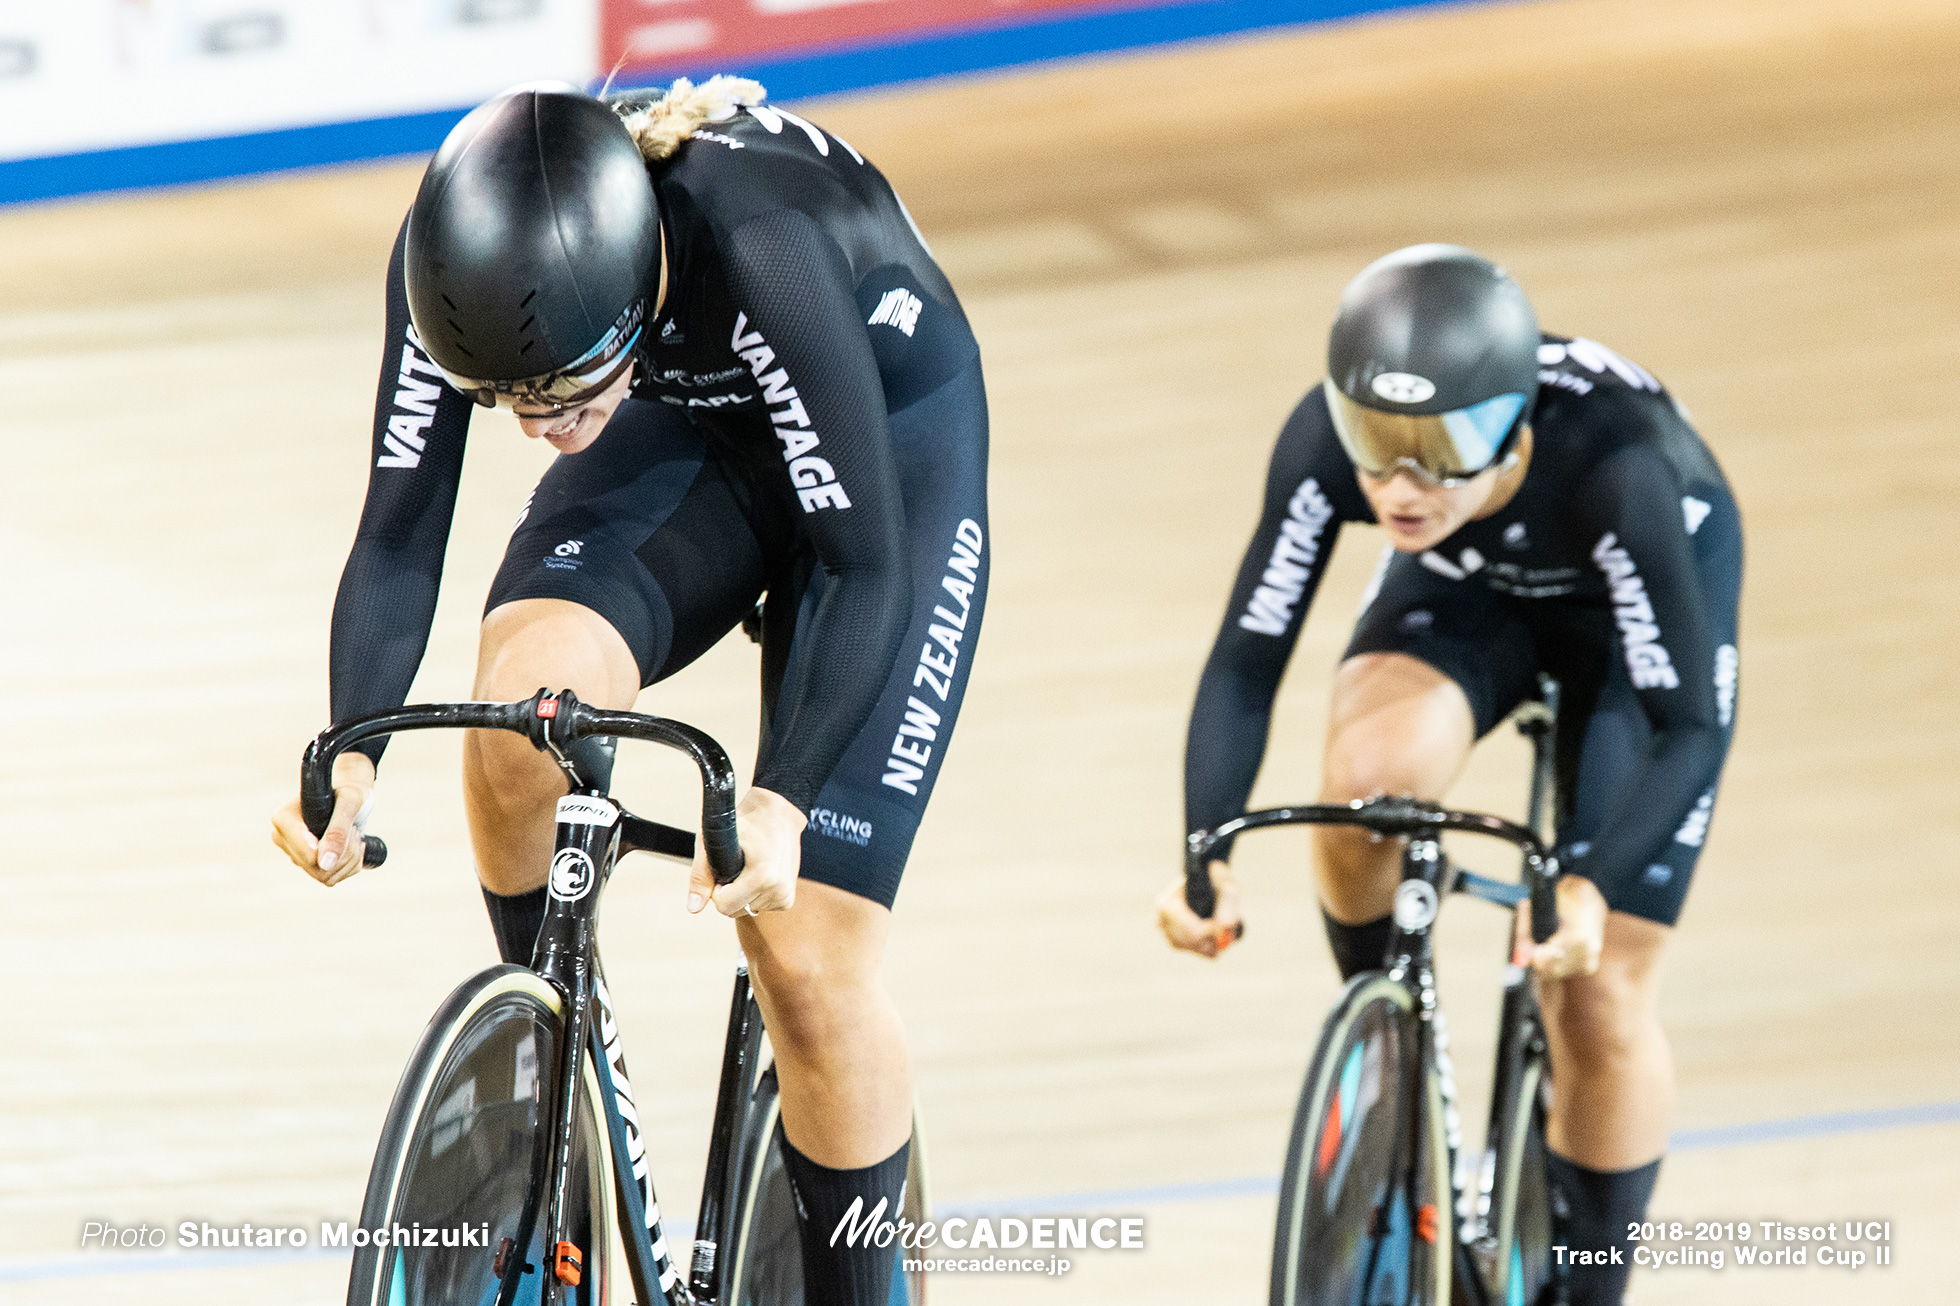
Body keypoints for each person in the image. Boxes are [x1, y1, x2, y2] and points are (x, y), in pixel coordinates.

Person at [270, 77, 989, 1305]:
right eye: (507, 401)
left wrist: (782, 796)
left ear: (634, 282)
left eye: (555, 393)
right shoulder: (461, 272)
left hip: (888, 453)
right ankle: (553, 1050)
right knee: (515, 721)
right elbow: (399, 537)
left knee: (805, 955)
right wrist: (348, 753)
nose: (538, 430)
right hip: (681, 409)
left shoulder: (766, 243)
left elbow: (863, 566)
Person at [1158, 244, 1741, 1305]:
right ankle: (1389, 1036)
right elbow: (1248, 658)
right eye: (1375, 446)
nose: (1400, 484)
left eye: (1442, 449)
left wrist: (1591, 881)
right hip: (1470, 588)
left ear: (1514, 422)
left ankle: (1589, 1283)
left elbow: (1686, 727)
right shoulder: (1343, 456)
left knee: (1598, 988)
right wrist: (1206, 846)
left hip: (1628, 628)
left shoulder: (1620, 465)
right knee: (1366, 790)